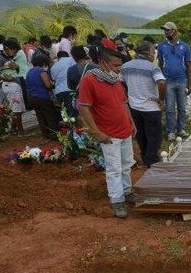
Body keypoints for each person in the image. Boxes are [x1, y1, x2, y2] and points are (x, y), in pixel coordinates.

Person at [78, 47, 137, 219]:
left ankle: (126, 192)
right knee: (114, 169)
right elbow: (83, 107)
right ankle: (117, 200)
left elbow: (124, 103)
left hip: (124, 131)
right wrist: (96, 132)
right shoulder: (90, 81)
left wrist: (131, 122)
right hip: (109, 134)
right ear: (103, 63)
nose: (119, 69)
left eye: (120, 65)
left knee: (127, 164)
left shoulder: (116, 81)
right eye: (115, 65)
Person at [121, 41, 166, 168]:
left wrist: (130, 92)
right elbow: (162, 83)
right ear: (148, 53)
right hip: (151, 107)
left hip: (134, 107)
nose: (154, 55)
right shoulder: (152, 67)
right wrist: (161, 99)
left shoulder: (126, 66)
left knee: (140, 134)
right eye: (153, 52)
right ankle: (152, 160)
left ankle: (146, 157)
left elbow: (120, 82)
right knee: (154, 136)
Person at [157, 21, 191, 141]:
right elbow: (160, 63)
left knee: (182, 107)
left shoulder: (185, 46)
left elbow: (189, 65)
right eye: (165, 30)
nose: (165, 32)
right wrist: (160, 80)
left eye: (167, 30)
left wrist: (190, 83)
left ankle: (181, 129)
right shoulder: (162, 46)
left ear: (174, 31)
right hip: (168, 81)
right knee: (170, 108)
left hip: (182, 80)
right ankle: (171, 131)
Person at [25, 53, 58, 140]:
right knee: (50, 115)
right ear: (44, 62)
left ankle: (45, 135)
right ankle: (54, 134)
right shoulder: (42, 71)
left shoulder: (29, 72)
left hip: (31, 97)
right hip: (42, 97)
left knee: (40, 116)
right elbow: (48, 85)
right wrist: (53, 84)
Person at [67, 45, 97, 116]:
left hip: (81, 101)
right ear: (84, 54)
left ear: (74, 57)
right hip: (95, 98)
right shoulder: (94, 67)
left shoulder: (71, 70)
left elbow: (70, 86)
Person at [49, 51, 76, 117]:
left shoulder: (53, 67)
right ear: (67, 55)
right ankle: (77, 126)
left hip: (59, 93)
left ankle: (71, 126)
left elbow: (54, 81)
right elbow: (76, 71)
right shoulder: (71, 60)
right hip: (69, 90)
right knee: (74, 112)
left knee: (65, 114)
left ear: (58, 58)